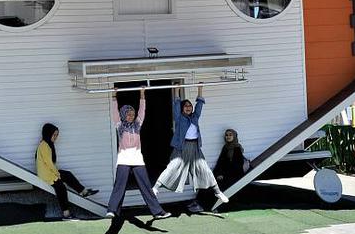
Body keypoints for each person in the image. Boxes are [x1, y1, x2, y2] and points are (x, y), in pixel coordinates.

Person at [153, 85, 230, 212]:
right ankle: (155, 188)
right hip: (182, 148)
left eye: (190, 106)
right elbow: (176, 104)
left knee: (205, 169)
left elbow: (200, 104)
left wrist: (200, 88)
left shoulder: (195, 117)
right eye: (186, 106)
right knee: (172, 167)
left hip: (195, 148)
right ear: (182, 109)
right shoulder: (179, 118)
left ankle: (217, 192)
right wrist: (177, 90)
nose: (188, 107)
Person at [106, 87, 171, 219]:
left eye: (132, 114)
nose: (131, 116)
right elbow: (114, 111)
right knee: (119, 186)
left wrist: (142, 94)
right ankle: (112, 211)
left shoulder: (137, 125)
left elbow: (142, 110)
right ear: (124, 114)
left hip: (137, 160)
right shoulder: (119, 126)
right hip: (124, 159)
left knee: (146, 186)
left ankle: (157, 212)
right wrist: (114, 95)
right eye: (128, 114)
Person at [36, 123, 98, 220]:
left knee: (67, 174)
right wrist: (57, 175)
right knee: (61, 188)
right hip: (46, 174)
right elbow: (49, 163)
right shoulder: (44, 145)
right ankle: (66, 214)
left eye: (57, 135)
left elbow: (50, 164)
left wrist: (57, 173)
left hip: (49, 171)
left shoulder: (48, 144)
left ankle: (83, 191)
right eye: (54, 135)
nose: (56, 137)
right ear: (48, 134)